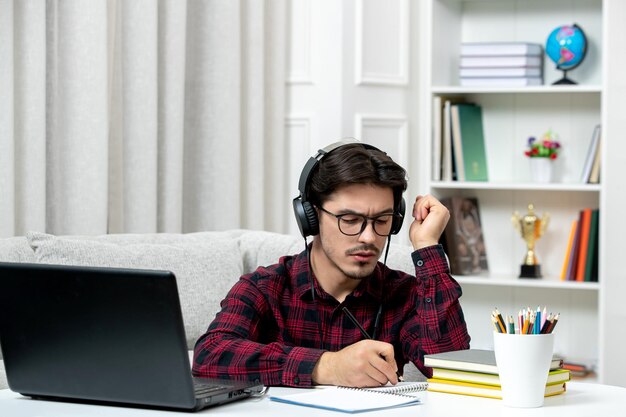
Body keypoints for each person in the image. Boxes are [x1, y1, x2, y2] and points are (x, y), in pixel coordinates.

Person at [192, 140, 470, 388]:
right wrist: (327, 366)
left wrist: (428, 247)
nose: (369, 237)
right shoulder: (264, 288)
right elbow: (210, 355)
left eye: (382, 220)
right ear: (310, 216)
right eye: (349, 220)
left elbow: (454, 371)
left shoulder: (404, 294)